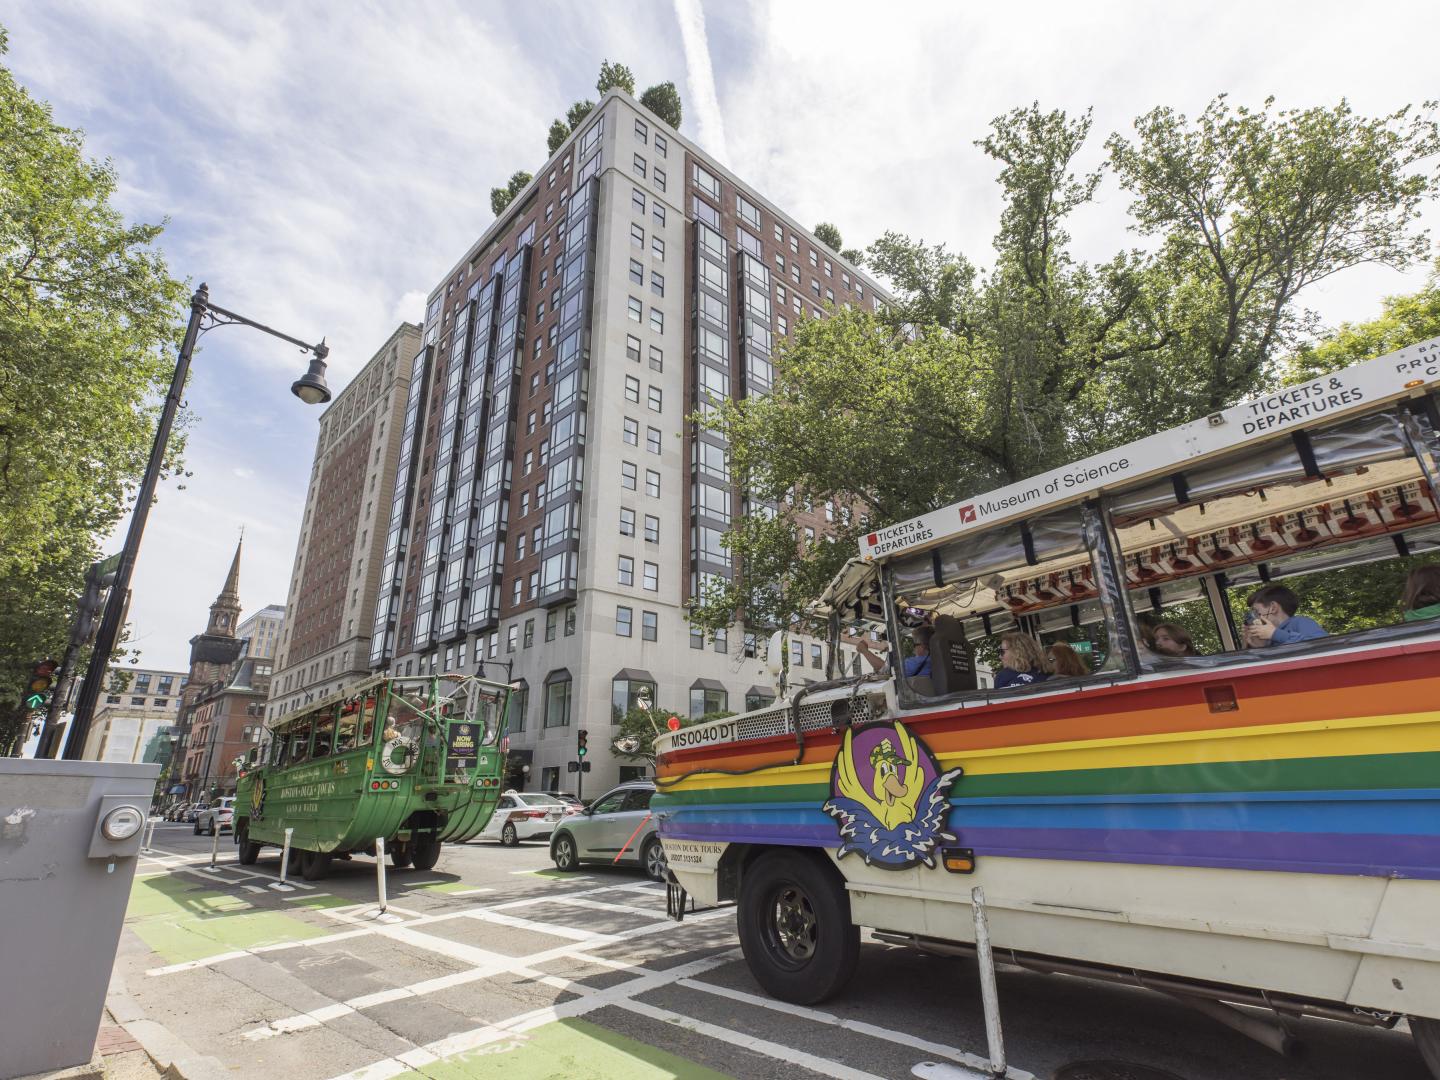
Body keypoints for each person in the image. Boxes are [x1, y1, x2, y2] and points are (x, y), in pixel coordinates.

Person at [1244, 585, 1326, 647]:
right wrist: (1261, 646)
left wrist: (1275, 634)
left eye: (1256, 611)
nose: (1254, 617)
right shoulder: (1268, 638)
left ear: (1273, 608)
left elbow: (1322, 645)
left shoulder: (1300, 622)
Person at [857, 626, 933, 678]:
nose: (913, 649)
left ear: (923, 646)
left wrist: (864, 650)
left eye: (914, 644)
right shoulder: (937, 660)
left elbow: (884, 669)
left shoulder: (916, 662)